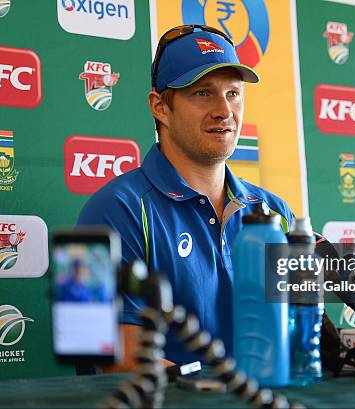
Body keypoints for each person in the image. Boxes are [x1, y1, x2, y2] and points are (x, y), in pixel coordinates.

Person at [77, 25, 294, 371]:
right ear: (160, 107)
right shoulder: (110, 211)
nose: (224, 110)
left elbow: (301, 337)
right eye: (203, 94)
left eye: (233, 93)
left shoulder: (275, 213)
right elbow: (114, 355)